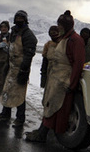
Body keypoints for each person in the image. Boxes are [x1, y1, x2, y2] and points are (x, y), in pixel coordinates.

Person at [25, 10, 85, 143]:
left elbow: (78, 64)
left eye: (61, 26)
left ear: (67, 26)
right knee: (50, 105)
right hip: (55, 79)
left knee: (55, 107)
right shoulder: (64, 39)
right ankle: (42, 132)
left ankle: (42, 134)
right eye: (58, 25)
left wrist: (72, 83)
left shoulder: (75, 40)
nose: (58, 28)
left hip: (64, 81)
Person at [0, 10, 37, 127]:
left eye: (21, 18)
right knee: (7, 90)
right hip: (11, 67)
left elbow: (29, 53)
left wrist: (24, 70)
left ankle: (20, 118)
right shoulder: (14, 31)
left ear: (25, 20)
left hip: (21, 68)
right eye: (17, 17)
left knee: (19, 94)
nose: (19, 20)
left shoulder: (28, 34)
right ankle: (5, 113)